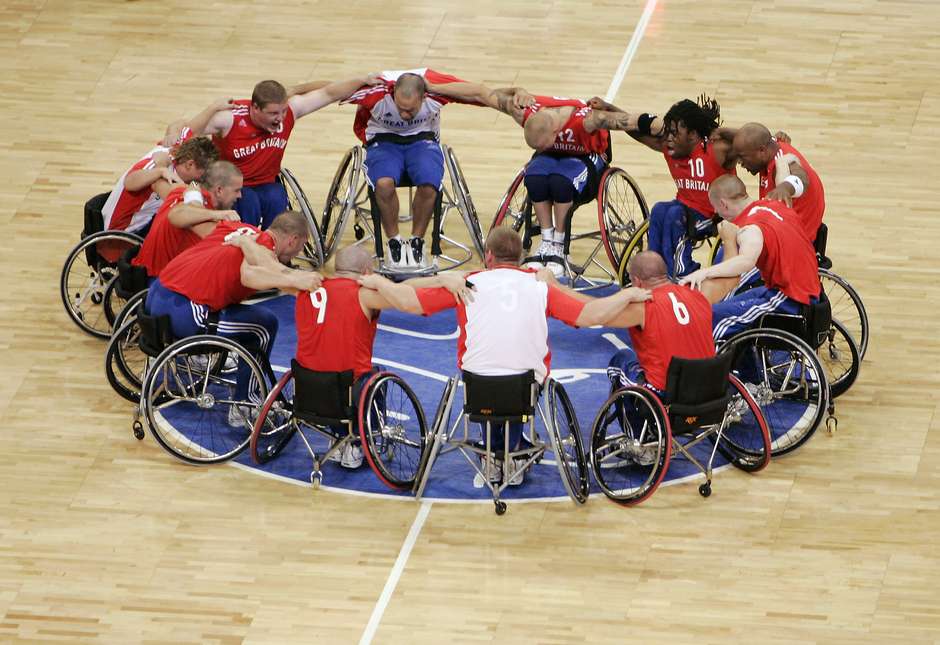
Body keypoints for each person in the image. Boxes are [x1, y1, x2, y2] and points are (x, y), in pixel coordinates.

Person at [360, 227, 650, 485]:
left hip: (478, 387)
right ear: (522, 258)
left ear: (488, 255)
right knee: (518, 378)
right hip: (525, 388)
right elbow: (589, 316)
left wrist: (439, 279)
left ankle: (493, 455)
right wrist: (625, 296)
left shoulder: (468, 283)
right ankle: (511, 453)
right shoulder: (539, 285)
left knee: (489, 377)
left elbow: (407, 300)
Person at [425, 80, 638, 275]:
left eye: (541, 144)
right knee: (534, 177)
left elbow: (632, 122)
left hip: (586, 159)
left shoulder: (589, 120)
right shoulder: (523, 111)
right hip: (551, 159)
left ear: (556, 132)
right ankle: (546, 238)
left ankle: (559, 243)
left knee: (560, 182)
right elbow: (482, 93)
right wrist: (432, 87)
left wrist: (613, 108)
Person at [294, 245, 471, 467]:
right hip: (347, 389)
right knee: (374, 376)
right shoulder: (364, 294)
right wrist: (444, 283)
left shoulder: (306, 287)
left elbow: (402, 286)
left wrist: (439, 279)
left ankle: (338, 437)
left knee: (332, 364)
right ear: (368, 270)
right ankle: (358, 444)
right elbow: (407, 296)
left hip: (306, 387)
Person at [146, 211, 322, 425]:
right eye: (301, 245)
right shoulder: (263, 247)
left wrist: (294, 282)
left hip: (156, 295)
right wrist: (297, 278)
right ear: (292, 240)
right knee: (264, 325)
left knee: (245, 313)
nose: (299, 252)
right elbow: (250, 275)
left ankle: (231, 376)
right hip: (184, 310)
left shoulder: (236, 229)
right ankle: (244, 405)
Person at [343, 68, 489, 269]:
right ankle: (393, 241)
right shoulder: (375, 93)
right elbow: (328, 91)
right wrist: (295, 91)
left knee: (429, 185)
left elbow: (480, 92)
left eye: (410, 110)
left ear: (422, 97)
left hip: (422, 142)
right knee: (384, 184)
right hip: (383, 142)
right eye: (400, 107)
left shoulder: (436, 93)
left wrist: (514, 95)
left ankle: (416, 242)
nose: (403, 114)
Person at [187, 76, 378, 228]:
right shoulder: (229, 118)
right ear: (254, 108)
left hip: (267, 183)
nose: (280, 119)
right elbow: (187, 130)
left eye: (283, 112)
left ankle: (275, 256)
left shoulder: (290, 112)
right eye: (273, 114)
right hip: (234, 187)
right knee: (249, 202)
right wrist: (210, 109)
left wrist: (362, 80)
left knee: (277, 199)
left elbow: (329, 92)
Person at [588, 95, 738, 279]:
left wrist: (723, 130)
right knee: (659, 209)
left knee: (675, 216)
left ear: (692, 135)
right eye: (668, 132)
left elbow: (750, 140)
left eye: (675, 133)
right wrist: (608, 107)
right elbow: (635, 128)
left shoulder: (717, 149)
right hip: (683, 208)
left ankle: (682, 273)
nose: (669, 138)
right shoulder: (670, 147)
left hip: (714, 217)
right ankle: (654, 271)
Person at [680, 175, 822, 341]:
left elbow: (746, 262)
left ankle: (709, 363)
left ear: (723, 204)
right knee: (726, 305)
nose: (717, 214)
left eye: (716, 209)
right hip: (802, 287)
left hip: (790, 299)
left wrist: (704, 273)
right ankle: (744, 366)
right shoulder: (773, 203)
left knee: (712, 318)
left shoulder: (749, 228)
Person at [132, 161, 244, 280]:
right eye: (236, 190)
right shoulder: (202, 220)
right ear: (219, 190)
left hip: (141, 269)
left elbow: (156, 183)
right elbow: (177, 214)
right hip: (159, 281)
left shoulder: (180, 190)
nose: (240, 196)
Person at [102, 136, 218, 236]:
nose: (205, 176)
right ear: (190, 164)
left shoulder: (168, 157)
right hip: (122, 233)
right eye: (205, 171)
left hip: (142, 223)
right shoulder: (157, 168)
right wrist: (160, 170)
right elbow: (129, 182)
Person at [732, 122, 824, 244]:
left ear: (762, 151)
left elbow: (802, 178)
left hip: (794, 240)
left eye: (742, 157)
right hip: (786, 227)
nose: (739, 162)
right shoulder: (772, 145)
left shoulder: (783, 164)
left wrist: (785, 187)